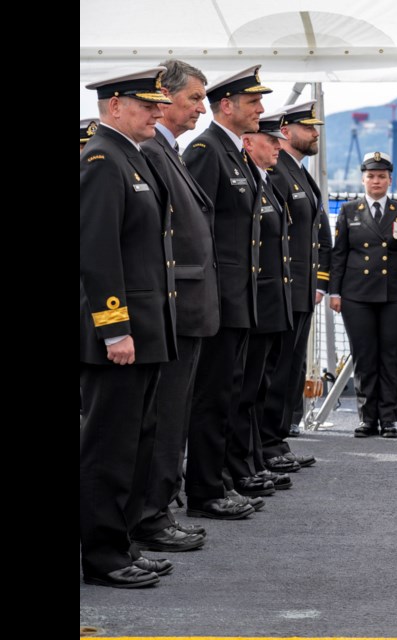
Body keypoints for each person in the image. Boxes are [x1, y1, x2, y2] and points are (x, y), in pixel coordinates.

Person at [80, 67, 177, 588]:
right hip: (120, 334)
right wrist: (115, 327)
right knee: (108, 447)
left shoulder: (131, 157)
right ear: (115, 105)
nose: (157, 113)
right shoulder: (101, 158)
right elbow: (97, 251)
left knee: (137, 442)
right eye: (147, 105)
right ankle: (100, 556)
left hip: (147, 328)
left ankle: (122, 543)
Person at [132, 59, 218, 552]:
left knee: (172, 414)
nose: (200, 109)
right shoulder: (150, 151)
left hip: (184, 305)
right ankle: (152, 514)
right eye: (193, 99)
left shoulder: (169, 151)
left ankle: (158, 506)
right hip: (170, 306)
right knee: (163, 418)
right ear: (165, 98)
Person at [182, 65, 273, 519]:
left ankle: (218, 480)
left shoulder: (233, 152)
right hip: (218, 298)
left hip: (239, 298)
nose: (261, 109)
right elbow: (197, 233)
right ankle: (204, 490)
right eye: (254, 102)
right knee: (211, 396)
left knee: (229, 393)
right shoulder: (205, 150)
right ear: (227, 106)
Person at [257, 100, 330, 469]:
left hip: (301, 290)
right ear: (286, 132)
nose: (316, 133)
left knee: (291, 369)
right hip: (284, 289)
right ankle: (267, 443)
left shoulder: (297, 171)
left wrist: (318, 282)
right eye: (309, 127)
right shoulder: (278, 172)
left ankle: (278, 439)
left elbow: (317, 232)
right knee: (278, 368)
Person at [329, 152, 397, 437]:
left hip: (396, 295)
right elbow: (339, 255)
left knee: (392, 357)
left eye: (381, 176)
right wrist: (334, 291)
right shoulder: (349, 211)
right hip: (356, 295)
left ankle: (389, 418)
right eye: (371, 176)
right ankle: (367, 418)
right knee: (364, 357)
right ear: (363, 179)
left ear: (390, 180)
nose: (376, 181)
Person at [232, 112, 294, 491]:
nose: (278, 146)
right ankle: (239, 467)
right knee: (242, 391)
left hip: (268, 301)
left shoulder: (265, 182)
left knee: (256, 389)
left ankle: (251, 461)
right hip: (250, 300)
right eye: (270, 140)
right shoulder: (243, 175)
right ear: (249, 142)